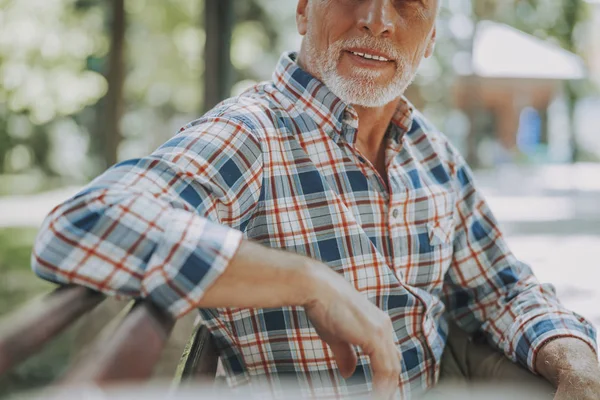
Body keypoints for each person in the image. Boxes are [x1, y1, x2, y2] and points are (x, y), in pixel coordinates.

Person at [31, 0, 599, 398]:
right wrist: (306, 280)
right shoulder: (252, 133)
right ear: (304, 9)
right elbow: (81, 224)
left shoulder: (433, 153)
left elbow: (500, 289)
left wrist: (574, 357)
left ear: (429, 40)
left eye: (407, 3)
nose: (377, 20)